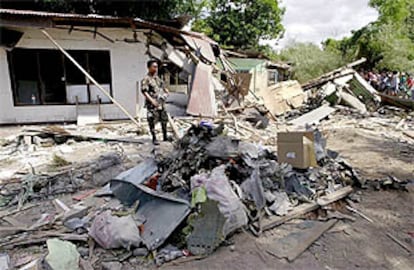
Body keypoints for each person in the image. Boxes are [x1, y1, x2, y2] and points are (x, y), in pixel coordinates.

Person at [141, 59, 170, 145]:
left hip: (160, 102)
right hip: (152, 104)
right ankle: (154, 138)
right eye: (154, 67)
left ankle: (165, 136)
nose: (156, 69)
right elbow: (144, 91)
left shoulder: (157, 78)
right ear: (149, 68)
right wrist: (152, 101)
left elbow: (163, 86)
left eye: (157, 67)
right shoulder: (146, 79)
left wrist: (166, 91)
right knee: (152, 120)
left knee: (164, 119)